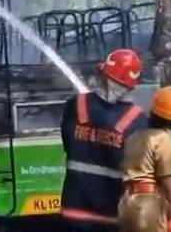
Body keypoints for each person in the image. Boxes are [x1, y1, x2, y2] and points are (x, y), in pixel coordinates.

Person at [61, 49, 149, 232]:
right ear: (132, 86)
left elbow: (68, 145)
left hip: (74, 211)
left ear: (101, 74)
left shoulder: (75, 105)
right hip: (110, 217)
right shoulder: (137, 121)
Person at [118, 86, 171, 232]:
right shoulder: (163, 139)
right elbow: (168, 182)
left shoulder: (134, 137)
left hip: (126, 204)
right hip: (147, 206)